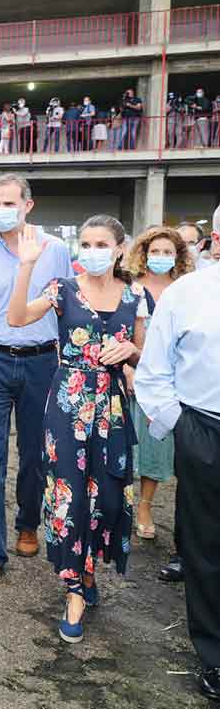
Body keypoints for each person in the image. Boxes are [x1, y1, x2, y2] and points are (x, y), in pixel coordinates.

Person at [8, 215, 144, 644]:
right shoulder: (63, 289)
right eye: (85, 243)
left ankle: (88, 570)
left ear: (120, 248)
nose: (92, 251)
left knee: (105, 494)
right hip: (68, 402)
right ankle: (74, 590)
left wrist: (132, 352)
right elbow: (16, 318)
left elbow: (146, 358)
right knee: (69, 494)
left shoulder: (135, 296)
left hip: (113, 407)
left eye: (100, 243)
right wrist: (26, 265)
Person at [0, 174, 75, 589]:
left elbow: (67, 305)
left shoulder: (55, 250)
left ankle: (27, 523)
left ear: (28, 205)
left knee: (35, 454)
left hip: (42, 362)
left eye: (8, 202)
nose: (0, 209)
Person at [135, 215, 220, 703]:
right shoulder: (188, 294)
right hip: (205, 427)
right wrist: (180, 429)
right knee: (207, 547)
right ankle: (214, 653)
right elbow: (155, 369)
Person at [122, 227, 195, 547]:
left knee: (156, 444)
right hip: (131, 375)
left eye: (168, 252)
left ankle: (145, 508)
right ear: (143, 253)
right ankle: (120, 505)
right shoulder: (130, 287)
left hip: (173, 379)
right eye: (156, 251)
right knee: (124, 443)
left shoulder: (186, 289)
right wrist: (127, 368)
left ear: (178, 256)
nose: (161, 258)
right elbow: (118, 330)